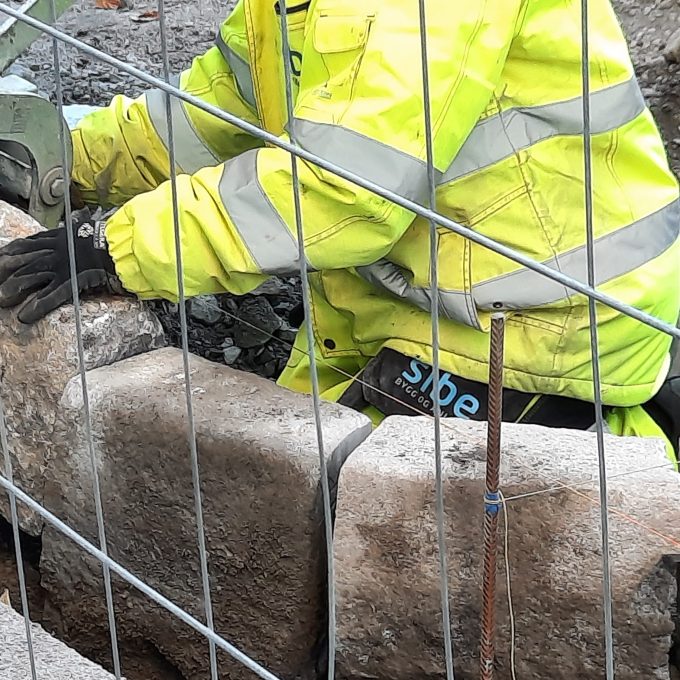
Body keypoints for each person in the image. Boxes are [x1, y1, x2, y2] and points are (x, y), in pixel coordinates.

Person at [0, 0, 679, 457]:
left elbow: (346, 187)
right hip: (401, 306)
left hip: (530, 334)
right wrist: (55, 164)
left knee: (418, 571)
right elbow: (218, 114)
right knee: (288, 527)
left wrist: (116, 246)